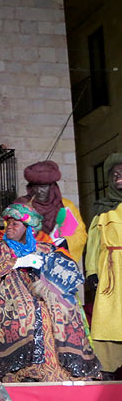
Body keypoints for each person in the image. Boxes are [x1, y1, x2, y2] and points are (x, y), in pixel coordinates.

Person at [0, 203, 100, 382]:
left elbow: (64, 273)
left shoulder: (45, 248)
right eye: (8, 223)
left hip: (44, 293)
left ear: (28, 229)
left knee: (62, 309)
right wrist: (16, 263)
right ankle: (26, 370)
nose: (9, 227)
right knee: (30, 309)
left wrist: (50, 270)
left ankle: (60, 369)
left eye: (15, 224)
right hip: (10, 296)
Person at [85, 153, 122, 379]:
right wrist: (92, 272)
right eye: (115, 174)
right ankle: (105, 371)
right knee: (108, 321)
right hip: (111, 274)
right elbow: (94, 243)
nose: (119, 178)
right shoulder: (102, 209)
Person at [16, 161, 87, 262]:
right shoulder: (20, 207)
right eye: (35, 186)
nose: (39, 191)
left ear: (52, 187)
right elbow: (10, 235)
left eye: (43, 186)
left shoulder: (66, 206)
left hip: (58, 261)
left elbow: (81, 235)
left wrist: (66, 242)